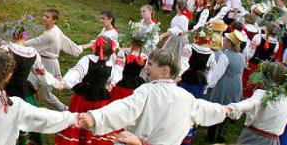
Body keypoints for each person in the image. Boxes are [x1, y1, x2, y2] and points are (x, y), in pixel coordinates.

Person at [77, 49, 230, 145]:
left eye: (150, 64)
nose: (146, 67)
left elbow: (125, 107)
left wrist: (95, 117)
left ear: (165, 70)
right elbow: (205, 108)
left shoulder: (147, 91)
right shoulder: (186, 97)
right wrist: (225, 110)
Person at [56, 36, 120, 145]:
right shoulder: (109, 64)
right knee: (93, 119)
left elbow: (77, 72)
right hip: (97, 97)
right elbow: (77, 72)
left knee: (84, 118)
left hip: (86, 97)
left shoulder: (89, 60)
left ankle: (85, 139)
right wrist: (65, 82)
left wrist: (65, 82)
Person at [229, 62, 287, 144]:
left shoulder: (261, 95)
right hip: (271, 141)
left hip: (253, 138)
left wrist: (232, 108)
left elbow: (249, 104)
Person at [25, 9, 83, 111]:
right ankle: (28, 108)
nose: (43, 18)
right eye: (44, 15)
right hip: (40, 61)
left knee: (47, 96)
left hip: (48, 65)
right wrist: (80, 48)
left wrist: (15, 44)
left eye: (47, 17)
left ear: (54, 20)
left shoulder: (50, 35)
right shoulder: (55, 29)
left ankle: (66, 110)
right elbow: (65, 40)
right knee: (28, 85)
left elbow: (31, 44)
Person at [206, 29, 247, 143]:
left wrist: (210, 84)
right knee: (230, 108)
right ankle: (222, 134)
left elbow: (217, 74)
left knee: (219, 107)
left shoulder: (225, 56)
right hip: (236, 85)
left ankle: (211, 134)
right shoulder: (241, 56)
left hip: (224, 85)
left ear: (229, 42)